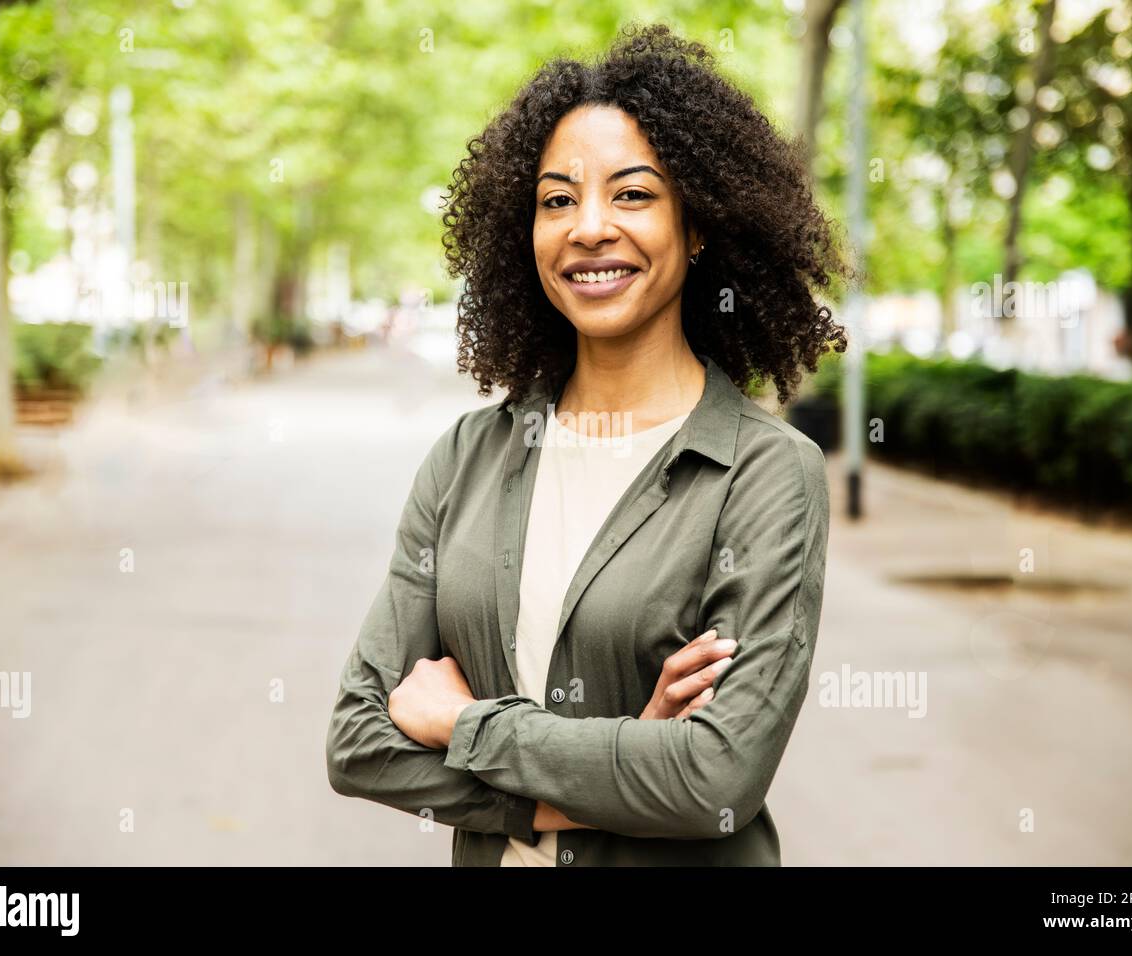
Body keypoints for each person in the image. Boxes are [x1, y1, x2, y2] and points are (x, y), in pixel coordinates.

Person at [327, 22, 847, 866]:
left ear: (700, 223)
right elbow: (357, 740)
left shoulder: (765, 473)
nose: (590, 228)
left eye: (633, 195)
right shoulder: (466, 458)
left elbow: (714, 780)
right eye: (557, 200)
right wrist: (612, 770)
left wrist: (463, 724)